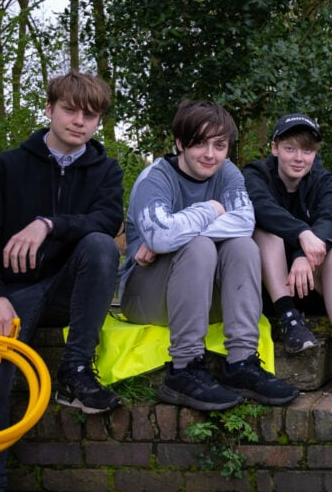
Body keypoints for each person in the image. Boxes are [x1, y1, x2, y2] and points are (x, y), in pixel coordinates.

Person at [0, 70, 124, 492]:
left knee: (99, 246)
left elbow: (104, 222)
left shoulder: (105, 170)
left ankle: (75, 369)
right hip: (11, 295)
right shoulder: (6, 168)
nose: (79, 121)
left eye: (90, 114)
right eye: (70, 110)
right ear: (50, 109)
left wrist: (48, 222)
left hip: (70, 289)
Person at [120, 100, 300, 411]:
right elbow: (161, 236)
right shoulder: (154, 179)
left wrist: (175, 233)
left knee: (242, 245)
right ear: (179, 143)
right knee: (200, 246)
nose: (210, 154)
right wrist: (211, 208)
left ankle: (241, 363)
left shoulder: (226, 173)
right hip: (144, 296)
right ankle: (185, 368)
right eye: (199, 143)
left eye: (220, 145)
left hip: (204, 297)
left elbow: (244, 221)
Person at [244, 112, 332, 391]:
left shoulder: (321, 179)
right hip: (268, 287)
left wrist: (302, 255)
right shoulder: (255, 174)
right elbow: (261, 208)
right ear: (274, 148)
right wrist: (301, 234)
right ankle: (289, 319)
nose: (298, 158)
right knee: (265, 231)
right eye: (290, 149)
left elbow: (329, 218)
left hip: (310, 280)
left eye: (306, 150)